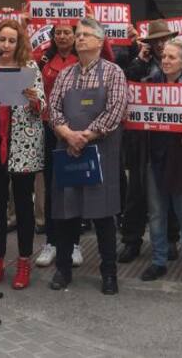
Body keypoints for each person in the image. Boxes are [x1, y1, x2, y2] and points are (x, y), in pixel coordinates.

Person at [47, 18, 127, 295]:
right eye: (78, 34)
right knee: (65, 213)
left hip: (100, 152)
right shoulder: (65, 75)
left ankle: (109, 273)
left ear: (100, 42)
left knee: (103, 215)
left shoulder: (114, 73)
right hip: (68, 150)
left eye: (86, 34)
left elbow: (116, 110)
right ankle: (63, 268)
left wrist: (86, 136)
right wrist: (67, 135)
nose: (79, 38)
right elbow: (53, 109)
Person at [0, 20, 46, 291]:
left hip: (23, 147)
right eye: (2, 40)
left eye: (11, 41)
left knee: (24, 206)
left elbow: (43, 105)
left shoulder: (30, 67)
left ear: (19, 43)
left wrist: (34, 99)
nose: (6, 45)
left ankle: (24, 261)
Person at [140, 38, 182, 286]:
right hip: (156, 157)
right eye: (164, 56)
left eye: (172, 57)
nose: (165, 60)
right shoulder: (149, 84)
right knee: (156, 214)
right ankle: (159, 261)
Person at [121, 20, 182, 264]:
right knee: (136, 191)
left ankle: (170, 238)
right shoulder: (140, 63)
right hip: (141, 139)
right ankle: (131, 240)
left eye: (164, 39)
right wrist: (140, 60)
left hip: (169, 139)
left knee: (170, 188)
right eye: (156, 41)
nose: (160, 45)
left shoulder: (180, 62)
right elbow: (126, 81)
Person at [35, 23, 80, 269]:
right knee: (52, 185)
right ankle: (51, 242)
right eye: (58, 33)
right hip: (48, 128)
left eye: (67, 32)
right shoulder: (43, 59)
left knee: (74, 184)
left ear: (75, 35)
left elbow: (108, 56)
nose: (62, 36)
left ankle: (74, 243)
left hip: (75, 129)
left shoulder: (82, 59)